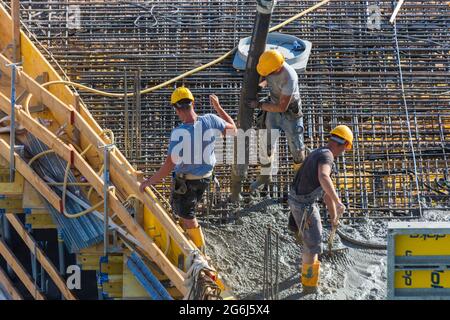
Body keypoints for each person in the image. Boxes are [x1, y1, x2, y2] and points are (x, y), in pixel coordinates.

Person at [139, 87, 237, 251]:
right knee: (185, 210)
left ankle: (199, 250)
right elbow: (234, 130)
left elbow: (167, 167)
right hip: (206, 178)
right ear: (193, 104)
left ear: (176, 109)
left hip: (187, 184)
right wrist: (218, 108)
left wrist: (148, 182)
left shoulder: (180, 133)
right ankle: (190, 239)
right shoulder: (211, 120)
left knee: (187, 215)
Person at [288, 125, 353, 292]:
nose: (345, 152)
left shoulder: (320, 152)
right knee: (314, 244)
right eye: (346, 148)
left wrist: (334, 217)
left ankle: (308, 266)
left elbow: (325, 193)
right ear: (344, 144)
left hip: (300, 201)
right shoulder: (327, 156)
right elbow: (323, 176)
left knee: (311, 242)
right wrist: (339, 202)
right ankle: (309, 286)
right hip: (304, 205)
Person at [249, 49, 305, 191]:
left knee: (296, 147)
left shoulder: (289, 77)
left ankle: (300, 180)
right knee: (266, 143)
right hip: (273, 108)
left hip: (289, 112)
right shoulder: (270, 65)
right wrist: (259, 86)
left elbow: (281, 107)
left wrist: (260, 105)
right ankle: (265, 176)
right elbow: (267, 79)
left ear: (278, 68)